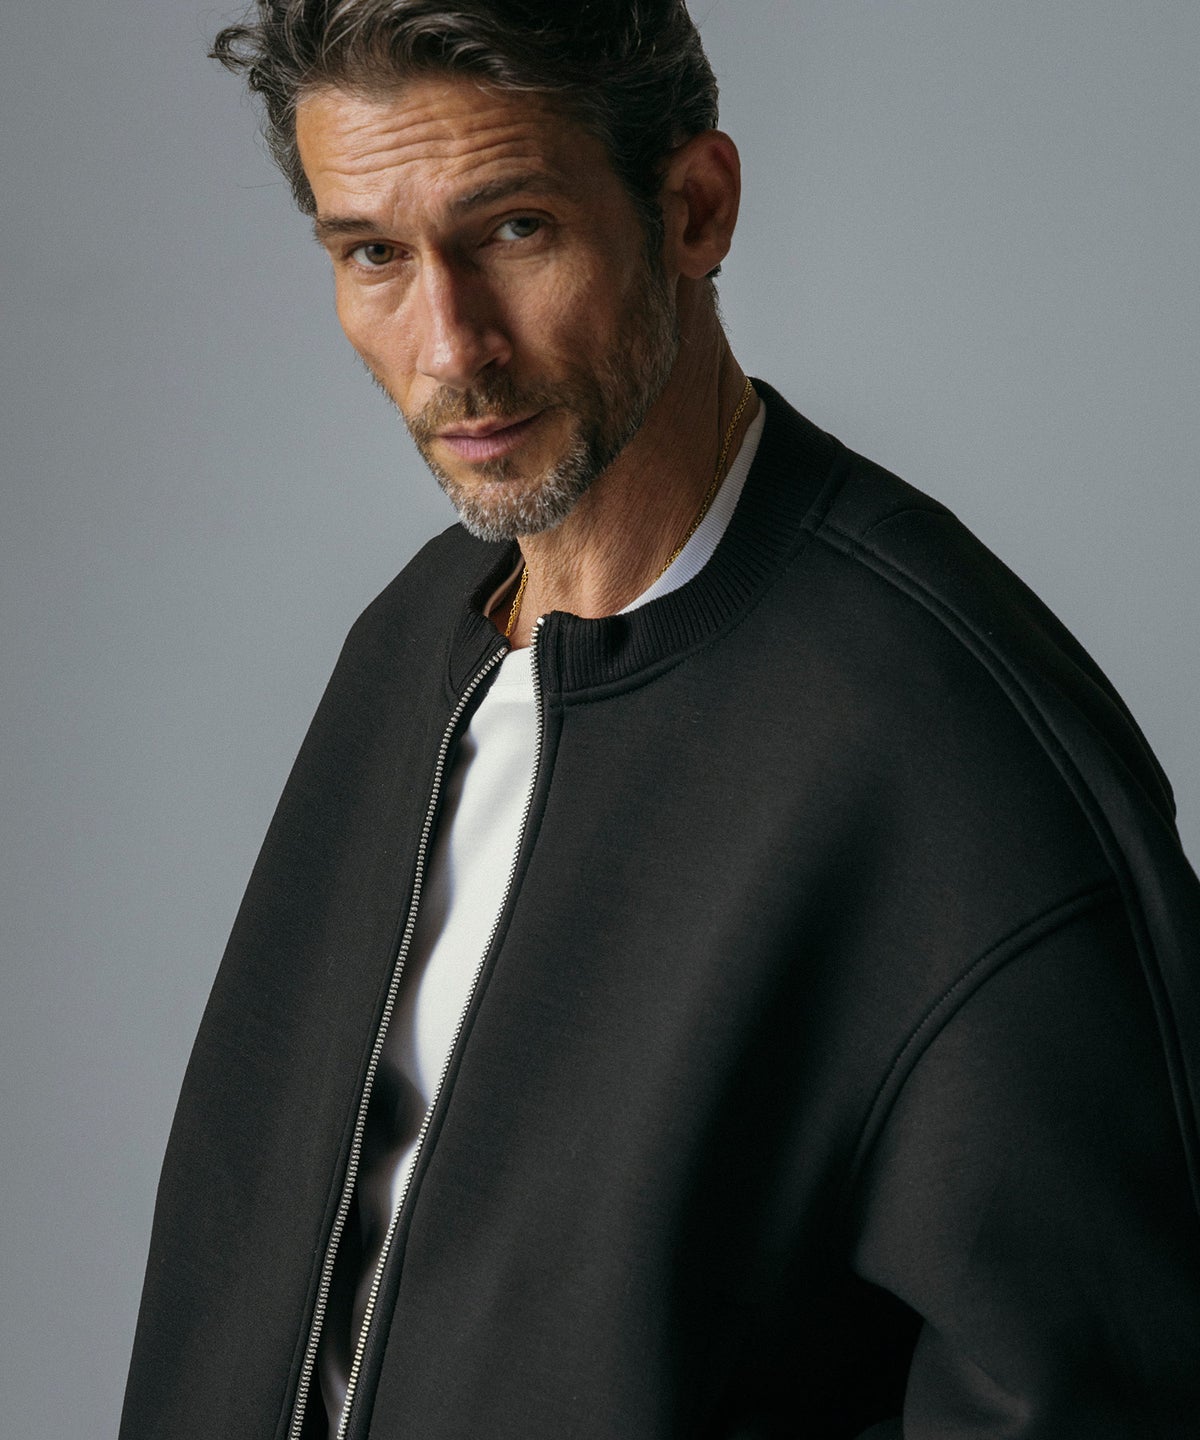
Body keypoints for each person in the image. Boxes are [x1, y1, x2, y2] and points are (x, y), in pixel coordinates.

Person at [120, 3, 1200, 1437]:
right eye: (374, 254)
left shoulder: (950, 740)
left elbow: (1099, 1391)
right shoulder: (414, 646)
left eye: (515, 231)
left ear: (694, 209)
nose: (450, 348)